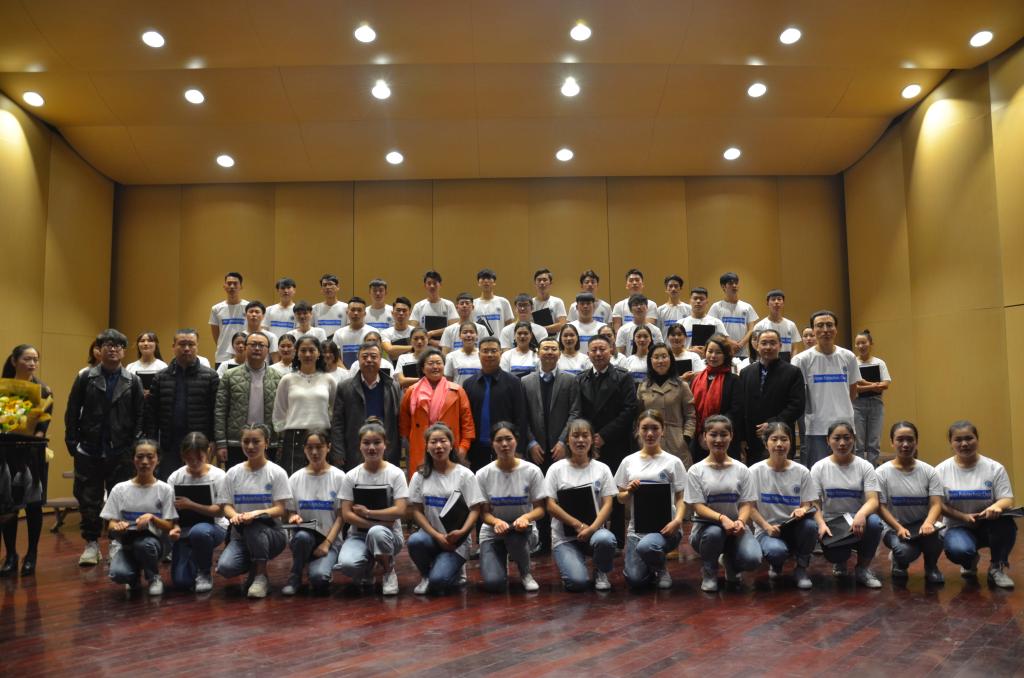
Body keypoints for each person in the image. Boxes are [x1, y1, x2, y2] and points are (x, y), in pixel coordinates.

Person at [65, 328, 144, 566]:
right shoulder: (85, 377)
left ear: (124, 351)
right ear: (99, 350)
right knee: (88, 500)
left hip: (120, 450)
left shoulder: (132, 380)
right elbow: (72, 411)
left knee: (119, 499)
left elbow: (140, 415)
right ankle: (91, 544)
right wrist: (72, 442)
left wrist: (134, 445)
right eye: (108, 345)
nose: (113, 349)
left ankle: (115, 542)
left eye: (118, 346)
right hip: (89, 449)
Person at [686, 414, 762, 592]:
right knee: (714, 533)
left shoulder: (742, 469)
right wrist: (722, 518)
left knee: (753, 559)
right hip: (706, 531)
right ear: (704, 437)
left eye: (723, 434)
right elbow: (697, 506)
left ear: (731, 436)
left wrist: (741, 521)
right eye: (713, 434)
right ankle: (709, 571)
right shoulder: (696, 470)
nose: (718, 440)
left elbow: (746, 503)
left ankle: (730, 562)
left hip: (736, 528)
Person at [936, 420, 1016, 588]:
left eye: (969, 438)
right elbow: (937, 505)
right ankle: (969, 561)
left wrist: (996, 506)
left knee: (1007, 524)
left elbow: (1007, 498)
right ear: (951, 443)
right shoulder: (940, 471)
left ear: (977, 439)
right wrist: (963, 517)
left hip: (988, 525)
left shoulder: (994, 468)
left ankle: (996, 568)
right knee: (960, 551)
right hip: (957, 526)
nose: (964, 443)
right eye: (958, 440)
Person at [407, 423, 485, 594]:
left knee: (439, 582)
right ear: (427, 447)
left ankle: (452, 568)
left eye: (443, 441)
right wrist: (437, 536)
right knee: (415, 541)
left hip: (457, 541)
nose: (438, 446)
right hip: (431, 536)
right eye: (433, 442)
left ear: (451, 444)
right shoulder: (419, 476)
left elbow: (475, 509)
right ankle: (425, 575)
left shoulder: (465, 475)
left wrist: (461, 532)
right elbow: (416, 511)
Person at [215, 423, 291, 598]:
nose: (250, 446)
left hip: (271, 534)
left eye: (256, 441)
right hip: (240, 535)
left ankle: (261, 576)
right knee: (225, 567)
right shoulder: (233, 472)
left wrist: (256, 514)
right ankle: (254, 566)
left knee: (253, 527)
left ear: (266, 443)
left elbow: (280, 509)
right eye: (246, 441)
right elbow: (226, 505)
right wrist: (235, 516)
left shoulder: (277, 472)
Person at [615, 410, 687, 589]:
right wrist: (629, 491)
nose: (649, 433)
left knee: (647, 546)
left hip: (666, 529)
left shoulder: (673, 462)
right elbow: (620, 498)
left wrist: (677, 521)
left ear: (663, 431)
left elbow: (681, 498)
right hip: (637, 530)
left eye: (655, 428)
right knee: (635, 580)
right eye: (645, 428)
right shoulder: (628, 461)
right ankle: (650, 565)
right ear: (637, 431)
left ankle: (660, 568)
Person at [577, 335, 637, 544]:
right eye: (594, 350)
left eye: (602, 349)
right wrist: (589, 437)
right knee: (589, 489)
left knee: (615, 491)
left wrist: (603, 436)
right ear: (587, 353)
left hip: (615, 443)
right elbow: (577, 410)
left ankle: (618, 538)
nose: (598, 353)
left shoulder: (623, 377)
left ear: (611, 350)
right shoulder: (581, 378)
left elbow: (629, 410)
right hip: (588, 444)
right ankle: (589, 535)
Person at [544, 419, 617, 591]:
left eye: (585, 435)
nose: (580, 440)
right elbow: (550, 505)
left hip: (595, 532)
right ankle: (574, 564)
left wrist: (591, 529)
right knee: (577, 583)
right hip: (565, 538)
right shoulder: (555, 469)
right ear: (567, 440)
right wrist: (577, 525)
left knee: (606, 539)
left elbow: (608, 504)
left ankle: (600, 570)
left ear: (592, 439)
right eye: (575, 436)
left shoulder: (602, 469)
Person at [337, 420, 409, 595]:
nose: (371, 448)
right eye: (366, 443)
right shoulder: (351, 476)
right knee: (347, 565)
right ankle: (368, 566)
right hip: (358, 535)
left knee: (377, 533)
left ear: (385, 445)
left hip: (389, 535)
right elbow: (346, 514)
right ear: (360, 446)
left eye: (377, 442)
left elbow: (400, 510)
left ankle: (388, 571)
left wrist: (368, 513)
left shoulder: (396, 474)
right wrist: (376, 523)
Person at [523, 337, 581, 552]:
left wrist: (563, 442)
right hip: (536, 450)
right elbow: (522, 416)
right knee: (539, 495)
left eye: (553, 349)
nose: (549, 352)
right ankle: (543, 542)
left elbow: (575, 412)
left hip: (561, 449)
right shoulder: (525, 381)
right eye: (545, 348)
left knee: (562, 493)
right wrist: (530, 442)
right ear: (538, 352)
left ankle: (567, 538)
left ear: (559, 353)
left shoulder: (570, 380)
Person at [0, 344, 53, 577]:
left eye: (35, 359)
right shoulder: (3, 387)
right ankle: (11, 554)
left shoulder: (44, 390)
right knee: (7, 506)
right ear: (14, 361)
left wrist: (34, 437)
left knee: (33, 505)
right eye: (27, 359)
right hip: (5, 452)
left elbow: (43, 427)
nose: (32, 363)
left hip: (32, 453)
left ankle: (31, 554)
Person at [810, 421, 883, 588]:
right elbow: (814, 503)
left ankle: (863, 569)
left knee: (874, 523)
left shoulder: (865, 466)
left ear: (854, 440)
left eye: (847, 438)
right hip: (832, 523)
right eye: (836, 438)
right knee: (836, 555)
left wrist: (861, 514)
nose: (842, 443)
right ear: (828, 440)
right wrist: (821, 524)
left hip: (857, 521)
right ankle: (840, 561)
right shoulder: (819, 467)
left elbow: (873, 500)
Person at [476, 422, 547, 592]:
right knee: (494, 584)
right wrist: (495, 522)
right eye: (499, 440)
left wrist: (526, 517)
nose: (504, 444)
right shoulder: (483, 474)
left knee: (515, 538)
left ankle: (526, 573)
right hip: (492, 532)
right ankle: (501, 560)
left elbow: (540, 509)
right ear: (492, 444)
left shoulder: (532, 471)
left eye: (509, 439)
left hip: (523, 531)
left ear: (516, 441)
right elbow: (483, 513)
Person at [101, 439, 177, 596]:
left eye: (150, 457)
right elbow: (110, 524)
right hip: (127, 544)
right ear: (133, 459)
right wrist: (118, 527)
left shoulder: (165, 489)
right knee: (118, 574)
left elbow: (170, 525)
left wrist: (153, 519)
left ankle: (153, 577)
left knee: (144, 545)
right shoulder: (119, 489)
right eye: (140, 457)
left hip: (155, 544)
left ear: (158, 460)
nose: (145, 462)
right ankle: (133, 576)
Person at [144, 329, 219, 480]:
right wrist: (152, 443)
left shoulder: (210, 377)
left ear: (197, 346)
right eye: (182, 344)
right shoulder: (161, 377)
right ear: (173, 346)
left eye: (191, 344)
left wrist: (213, 441)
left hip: (199, 444)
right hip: (169, 445)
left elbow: (216, 412)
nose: (186, 348)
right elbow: (151, 415)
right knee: (169, 483)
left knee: (198, 483)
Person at [748, 422, 816, 589]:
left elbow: (808, 504)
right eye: (774, 439)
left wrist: (802, 509)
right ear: (766, 443)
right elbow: (750, 507)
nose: (779, 444)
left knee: (810, 526)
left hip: (794, 527)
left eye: (784, 439)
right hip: (767, 531)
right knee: (776, 552)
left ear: (790, 443)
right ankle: (776, 563)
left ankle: (801, 568)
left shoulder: (802, 471)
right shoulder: (754, 471)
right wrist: (766, 527)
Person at [876, 421, 945, 585]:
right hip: (894, 528)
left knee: (939, 538)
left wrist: (928, 523)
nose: (905, 444)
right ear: (892, 442)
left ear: (916, 442)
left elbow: (936, 504)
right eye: (900, 440)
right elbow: (880, 507)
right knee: (904, 552)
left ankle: (931, 567)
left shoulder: (929, 471)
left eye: (910, 439)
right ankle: (899, 561)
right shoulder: (881, 473)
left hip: (922, 526)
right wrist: (898, 528)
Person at [791, 310, 860, 467]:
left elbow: (853, 390)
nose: (825, 330)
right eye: (820, 325)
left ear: (836, 329)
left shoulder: (848, 356)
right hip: (816, 428)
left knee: (847, 470)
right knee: (818, 472)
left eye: (829, 325)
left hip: (845, 426)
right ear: (813, 330)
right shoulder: (801, 360)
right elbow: (799, 395)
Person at [283, 430, 345, 596]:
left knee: (319, 579)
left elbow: (341, 517)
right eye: (310, 448)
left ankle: (317, 568)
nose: (315, 452)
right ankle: (295, 576)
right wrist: (293, 517)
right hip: (303, 538)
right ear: (304, 449)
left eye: (319, 447)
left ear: (328, 447)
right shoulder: (295, 478)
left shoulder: (339, 477)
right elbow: (290, 513)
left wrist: (326, 544)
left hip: (329, 541)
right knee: (303, 537)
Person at [166, 432, 228, 593]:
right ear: (182, 456)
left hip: (213, 527)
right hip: (184, 529)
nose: (194, 463)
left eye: (199, 458)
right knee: (181, 582)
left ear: (208, 452)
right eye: (189, 458)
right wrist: (174, 526)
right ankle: (196, 556)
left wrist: (191, 505)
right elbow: (169, 510)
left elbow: (220, 512)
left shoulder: (219, 476)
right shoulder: (175, 477)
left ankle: (204, 572)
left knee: (199, 532)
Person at [399, 348, 475, 477]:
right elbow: (404, 424)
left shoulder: (457, 391)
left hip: (450, 447)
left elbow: (467, 424)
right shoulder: (411, 391)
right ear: (423, 368)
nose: (435, 367)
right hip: (420, 447)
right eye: (430, 363)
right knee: (421, 483)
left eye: (439, 363)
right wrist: (412, 444)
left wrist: (463, 448)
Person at [737, 329, 806, 466]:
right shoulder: (746, 373)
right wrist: (742, 438)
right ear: (757, 346)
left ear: (780, 345)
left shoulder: (793, 372)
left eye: (773, 343)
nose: (768, 347)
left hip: (781, 436)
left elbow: (797, 406)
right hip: (752, 439)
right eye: (764, 343)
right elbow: (741, 407)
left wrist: (772, 424)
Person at [330, 342, 402, 470]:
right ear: (358, 359)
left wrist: (397, 450)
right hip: (354, 450)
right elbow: (337, 423)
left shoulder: (392, 386)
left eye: (373, 356)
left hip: (386, 450)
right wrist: (338, 452)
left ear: (380, 359)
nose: (369, 360)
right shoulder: (345, 387)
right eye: (364, 356)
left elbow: (398, 422)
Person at [214, 331, 281, 468]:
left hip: (269, 443)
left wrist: (281, 443)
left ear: (268, 350)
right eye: (253, 344)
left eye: (261, 345)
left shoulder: (278, 378)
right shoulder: (229, 376)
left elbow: (283, 413)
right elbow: (220, 411)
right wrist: (221, 443)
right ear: (245, 347)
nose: (257, 348)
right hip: (236, 443)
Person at [463, 337, 529, 472]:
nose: (489, 355)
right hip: (476, 449)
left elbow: (521, 417)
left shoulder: (514, 382)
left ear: (500, 353)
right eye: (485, 351)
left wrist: (519, 449)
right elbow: (465, 419)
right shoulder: (468, 384)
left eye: (493, 351)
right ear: (479, 354)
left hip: (506, 446)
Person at [273, 335, 336, 475]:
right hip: (294, 438)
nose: (307, 354)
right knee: (293, 479)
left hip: (322, 435)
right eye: (303, 350)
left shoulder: (329, 379)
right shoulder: (287, 380)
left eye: (311, 350)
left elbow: (335, 410)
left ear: (318, 353)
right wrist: (283, 437)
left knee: (321, 477)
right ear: (296, 353)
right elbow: (279, 412)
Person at [636, 343, 695, 466]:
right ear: (650, 360)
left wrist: (686, 438)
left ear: (671, 359)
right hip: (649, 440)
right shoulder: (643, 387)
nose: (660, 361)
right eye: (656, 357)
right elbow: (637, 417)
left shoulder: (681, 385)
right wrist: (639, 437)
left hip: (676, 442)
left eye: (664, 356)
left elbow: (690, 415)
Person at [689, 335, 743, 464]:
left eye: (718, 352)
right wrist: (702, 435)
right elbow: (691, 409)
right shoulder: (696, 378)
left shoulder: (734, 380)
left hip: (723, 438)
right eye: (710, 351)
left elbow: (736, 411)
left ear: (726, 355)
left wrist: (712, 432)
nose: (713, 356)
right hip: (698, 438)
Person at [852, 329, 892, 465]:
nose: (861, 346)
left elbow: (885, 385)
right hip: (857, 405)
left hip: (876, 404)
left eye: (863, 343)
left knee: (874, 443)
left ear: (871, 343)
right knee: (858, 443)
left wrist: (864, 384)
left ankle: (872, 469)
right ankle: (859, 469)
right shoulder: (853, 363)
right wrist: (874, 385)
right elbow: (854, 388)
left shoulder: (879, 362)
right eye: (858, 343)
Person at [708, 272, 759, 358]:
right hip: (722, 352)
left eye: (736, 283)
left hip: (743, 353)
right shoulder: (716, 307)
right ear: (723, 287)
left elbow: (751, 329)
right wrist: (729, 343)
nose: (734, 285)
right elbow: (712, 330)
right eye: (731, 283)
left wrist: (741, 344)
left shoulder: (747, 307)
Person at [209, 272, 248, 366]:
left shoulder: (248, 307)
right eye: (229, 283)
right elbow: (216, 335)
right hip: (222, 356)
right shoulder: (216, 308)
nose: (232, 286)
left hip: (244, 357)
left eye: (235, 283)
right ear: (224, 286)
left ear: (241, 286)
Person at [752, 290, 802, 361]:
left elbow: (795, 348)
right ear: (767, 303)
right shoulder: (759, 326)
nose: (776, 302)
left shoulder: (791, 325)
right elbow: (755, 346)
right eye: (773, 299)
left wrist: (793, 363)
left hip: (787, 361)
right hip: (767, 360)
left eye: (779, 299)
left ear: (783, 303)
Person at [411, 270, 458, 344]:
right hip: (424, 345)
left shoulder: (449, 305)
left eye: (435, 283)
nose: (432, 286)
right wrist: (428, 340)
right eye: (429, 283)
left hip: (444, 344)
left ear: (440, 285)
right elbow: (413, 329)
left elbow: (454, 327)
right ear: (425, 286)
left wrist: (432, 333)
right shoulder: (418, 306)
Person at [681, 286, 727, 357]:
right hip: (687, 360)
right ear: (690, 301)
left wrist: (708, 351)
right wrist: (690, 351)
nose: (698, 301)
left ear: (707, 301)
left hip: (710, 361)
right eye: (695, 298)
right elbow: (674, 348)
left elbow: (725, 345)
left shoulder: (716, 323)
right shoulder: (681, 323)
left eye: (701, 299)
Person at [332, 296, 374, 368]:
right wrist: (346, 372)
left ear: (364, 313)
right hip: (344, 372)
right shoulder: (338, 333)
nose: (356, 313)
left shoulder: (372, 332)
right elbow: (336, 358)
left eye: (359, 310)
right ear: (347, 312)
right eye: (353, 310)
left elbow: (376, 356)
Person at [611, 269, 655, 334]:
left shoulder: (651, 305)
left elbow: (649, 329)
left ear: (642, 284)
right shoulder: (618, 306)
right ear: (626, 285)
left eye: (637, 280)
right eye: (631, 280)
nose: (634, 283)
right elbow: (617, 331)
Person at [473, 268, 514, 336]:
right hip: (480, 342)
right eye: (483, 278)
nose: (486, 281)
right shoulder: (473, 304)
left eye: (489, 278)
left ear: (494, 282)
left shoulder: (503, 302)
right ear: (478, 283)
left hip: (499, 342)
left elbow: (509, 325)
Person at [125, 331, 167, 396]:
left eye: (150, 341)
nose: (146, 343)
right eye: (142, 341)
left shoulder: (163, 366)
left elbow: (166, 391)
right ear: (138, 345)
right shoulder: (130, 367)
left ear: (156, 344)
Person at [443, 322, 482, 387]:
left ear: (477, 335)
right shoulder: (451, 356)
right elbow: (448, 382)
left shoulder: (483, 355)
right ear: (459, 335)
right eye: (465, 332)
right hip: (458, 392)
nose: (468, 335)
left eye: (472, 332)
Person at [532, 268, 567, 336]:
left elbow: (562, 324)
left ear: (550, 283)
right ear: (535, 284)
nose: (542, 283)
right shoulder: (530, 303)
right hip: (535, 340)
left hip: (554, 340)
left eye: (545, 280)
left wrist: (540, 329)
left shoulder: (557, 302)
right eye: (539, 280)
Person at [382, 296, 415, 361]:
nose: (401, 313)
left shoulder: (415, 331)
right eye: (398, 310)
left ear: (409, 314)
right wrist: (413, 348)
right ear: (392, 313)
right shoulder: (385, 333)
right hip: (391, 367)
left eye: (404, 311)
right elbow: (389, 349)